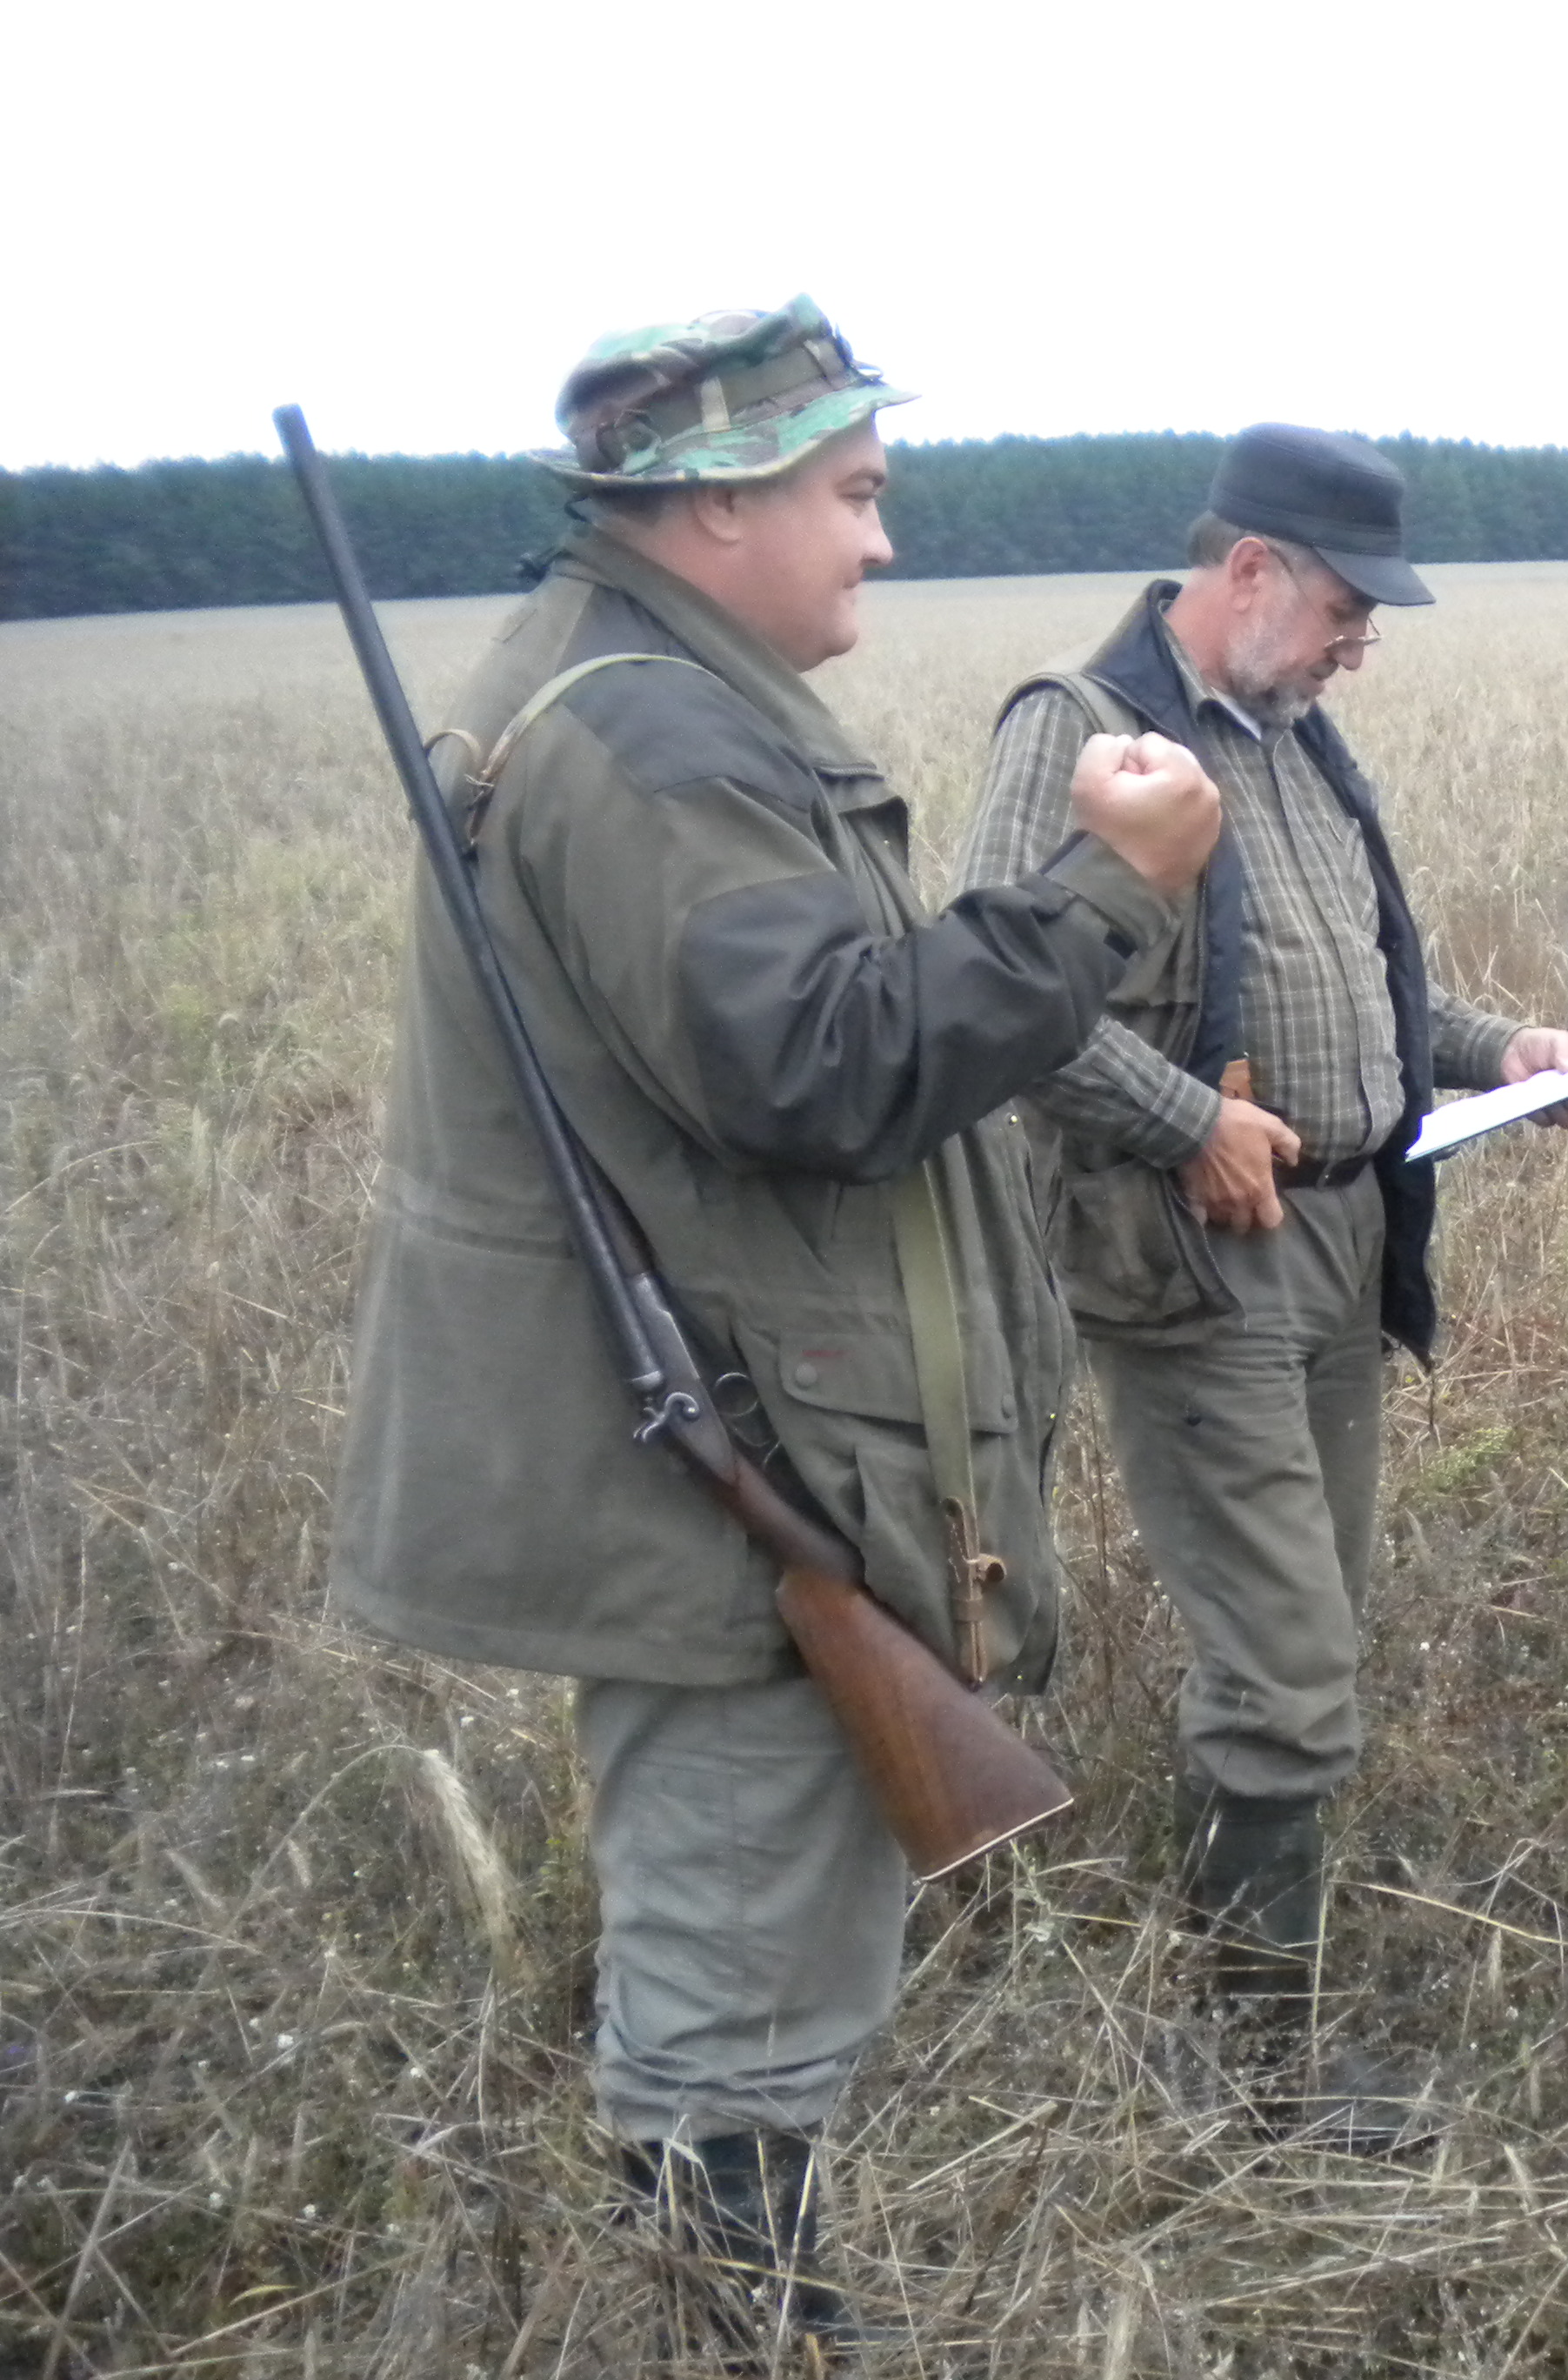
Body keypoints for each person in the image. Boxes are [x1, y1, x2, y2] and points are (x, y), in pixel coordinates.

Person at [325, 298, 1218, 2351]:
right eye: (855, 491)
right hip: (737, 1498)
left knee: (755, 1997)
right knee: (729, 2038)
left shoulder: (655, 701)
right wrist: (1110, 888)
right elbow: (833, 1068)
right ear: (719, 503)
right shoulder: (646, 738)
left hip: (753, 1461)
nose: (883, 539)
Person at [957, 425, 1568, 2149]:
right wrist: (1188, 1123)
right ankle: (1255, 2080)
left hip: (1343, 1239)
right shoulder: (1081, 732)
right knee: (1291, 1663)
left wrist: (1502, 1048)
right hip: (1195, 1257)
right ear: (1249, 571)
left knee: (1313, 1628)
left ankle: (1259, 2024)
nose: (1358, 646)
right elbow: (1001, 1000)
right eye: (1344, 610)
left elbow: (1362, 988)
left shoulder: (1294, 738)